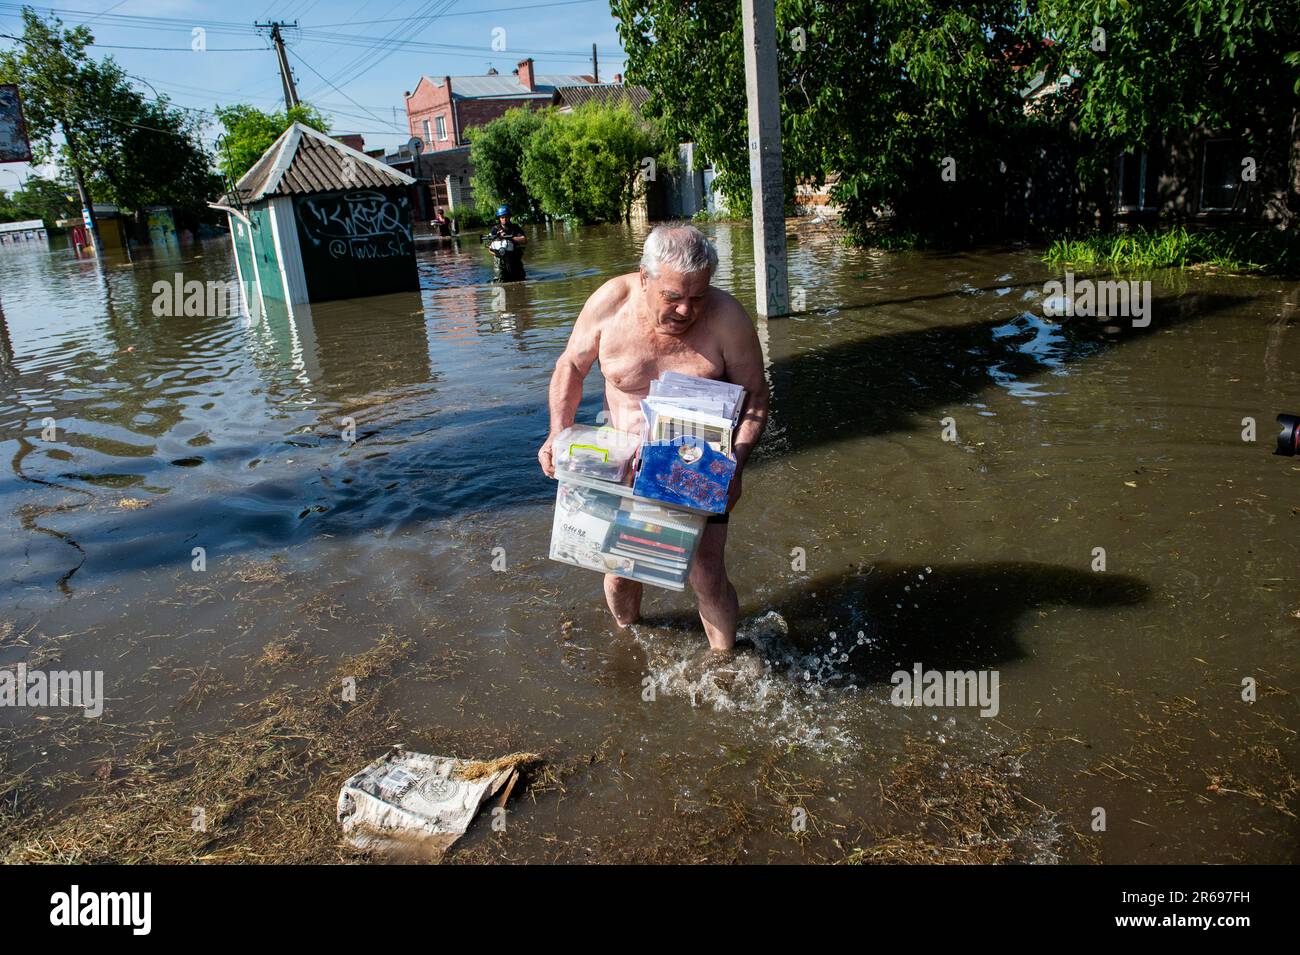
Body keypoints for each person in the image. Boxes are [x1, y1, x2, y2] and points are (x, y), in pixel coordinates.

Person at [537, 224, 769, 652]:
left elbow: (755, 398)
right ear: (644, 277)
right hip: (623, 460)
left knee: (706, 573)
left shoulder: (728, 318)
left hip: (698, 464)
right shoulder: (610, 303)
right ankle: (631, 640)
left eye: (697, 297)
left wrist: (734, 464)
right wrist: (558, 433)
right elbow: (570, 366)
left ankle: (725, 665)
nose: (685, 310)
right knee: (621, 568)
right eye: (673, 297)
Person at [487, 204, 527, 281]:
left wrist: (511, 237)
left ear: (510, 217)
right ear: (499, 218)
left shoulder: (515, 228)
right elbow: (489, 249)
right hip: (499, 261)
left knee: (520, 280)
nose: (504, 219)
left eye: (506, 217)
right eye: (502, 217)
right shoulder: (495, 229)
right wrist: (498, 253)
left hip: (514, 259)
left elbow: (524, 240)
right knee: (500, 282)